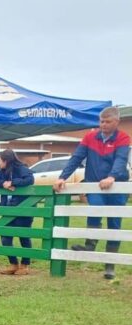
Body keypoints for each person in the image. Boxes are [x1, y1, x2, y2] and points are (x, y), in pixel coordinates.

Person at [53, 106, 130, 280]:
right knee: (94, 209)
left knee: (114, 225)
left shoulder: (123, 137)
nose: (103, 125)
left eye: (107, 121)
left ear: (117, 122)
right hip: (95, 185)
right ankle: (90, 244)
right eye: (101, 121)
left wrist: (112, 177)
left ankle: (110, 265)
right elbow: (76, 158)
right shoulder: (90, 137)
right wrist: (62, 177)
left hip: (117, 186)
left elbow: (121, 159)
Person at [0, 149, 34, 275]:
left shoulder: (21, 169)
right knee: (5, 237)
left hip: (23, 209)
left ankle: (25, 265)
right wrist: (3, 183)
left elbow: (30, 179)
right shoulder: (2, 171)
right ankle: (13, 264)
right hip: (8, 208)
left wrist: (13, 182)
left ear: (6, 161)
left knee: (24, 236)